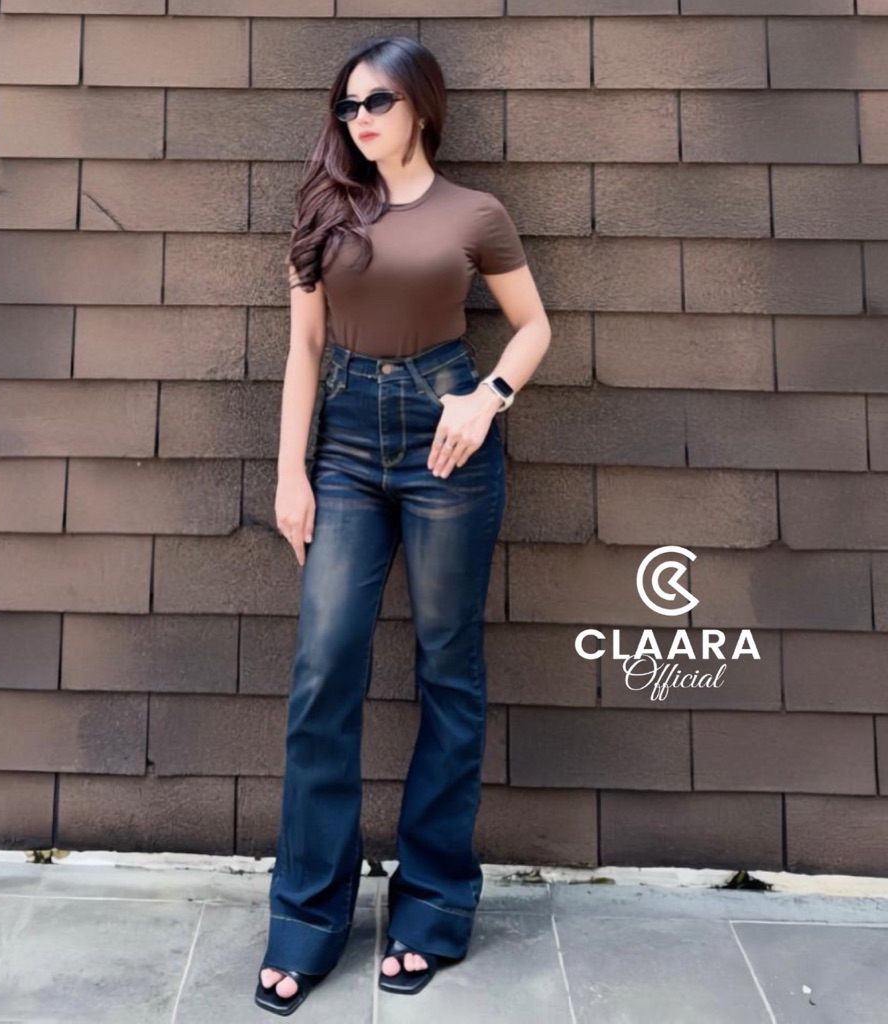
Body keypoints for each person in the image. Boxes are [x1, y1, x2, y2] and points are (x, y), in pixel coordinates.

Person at [255, 35, 552, 1016]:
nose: (360, 120)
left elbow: (533, 325)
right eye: (348, 106)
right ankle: (306, 918)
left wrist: (488, 397)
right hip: (343, 450)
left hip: (445, 446)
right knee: (323, 670)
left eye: (377, 101)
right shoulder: (323, 207)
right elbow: (305, 348)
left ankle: (430, 906)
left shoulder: (476, 213)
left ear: (420, 105)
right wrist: (291, 472)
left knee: (447, 672)